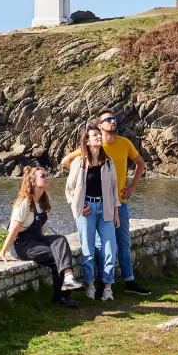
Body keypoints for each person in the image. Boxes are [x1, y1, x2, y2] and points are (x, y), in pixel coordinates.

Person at [0, 165, 83, 307]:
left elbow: (42, 231)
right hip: (22, 245)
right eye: (43, 176)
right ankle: (62, 297)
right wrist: (2, 252)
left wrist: (47, 244)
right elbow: (14, 230)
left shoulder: (42, 201)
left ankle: (68, 278)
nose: (47, 178)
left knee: (60, 240)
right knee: (56, 257)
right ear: (33, 181)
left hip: (36, 240)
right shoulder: (24, 203)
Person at [95, 111, 152, 295]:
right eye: (108, 120)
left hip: (121, 202)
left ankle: (129, 281)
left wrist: (132, 187)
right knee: (101, 245)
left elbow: (140, 163)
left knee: (124, 243)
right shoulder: (95, 145)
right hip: (99, 205)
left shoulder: (125, 143)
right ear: (99, 126)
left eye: (114, 119)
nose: (113, 122)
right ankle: (101, 283)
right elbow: (68, 161)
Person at [64, 126, 121, 300]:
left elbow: (114, 189)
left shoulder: (108, 162)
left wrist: (116, 213)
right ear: (87, 141)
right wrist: (79, 206)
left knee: (110, 248)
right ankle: (90, 285)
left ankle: (108, 287)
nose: (98, 137)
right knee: (88, 249)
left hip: (106, 209)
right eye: (94, 135)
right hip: (87, 210)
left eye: (99, 135)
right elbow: (69, 189)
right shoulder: (79, 162)